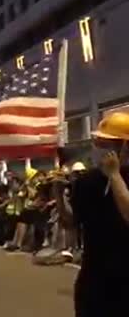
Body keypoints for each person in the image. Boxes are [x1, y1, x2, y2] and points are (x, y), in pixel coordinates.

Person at [55, 112, 129, 317]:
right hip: (93, 279)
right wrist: (59, 196)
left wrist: (114, 176)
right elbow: (71, 223)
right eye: (98, 143)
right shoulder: (88, 182)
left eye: (106, 144)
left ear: (124, 146)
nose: (99, 149)